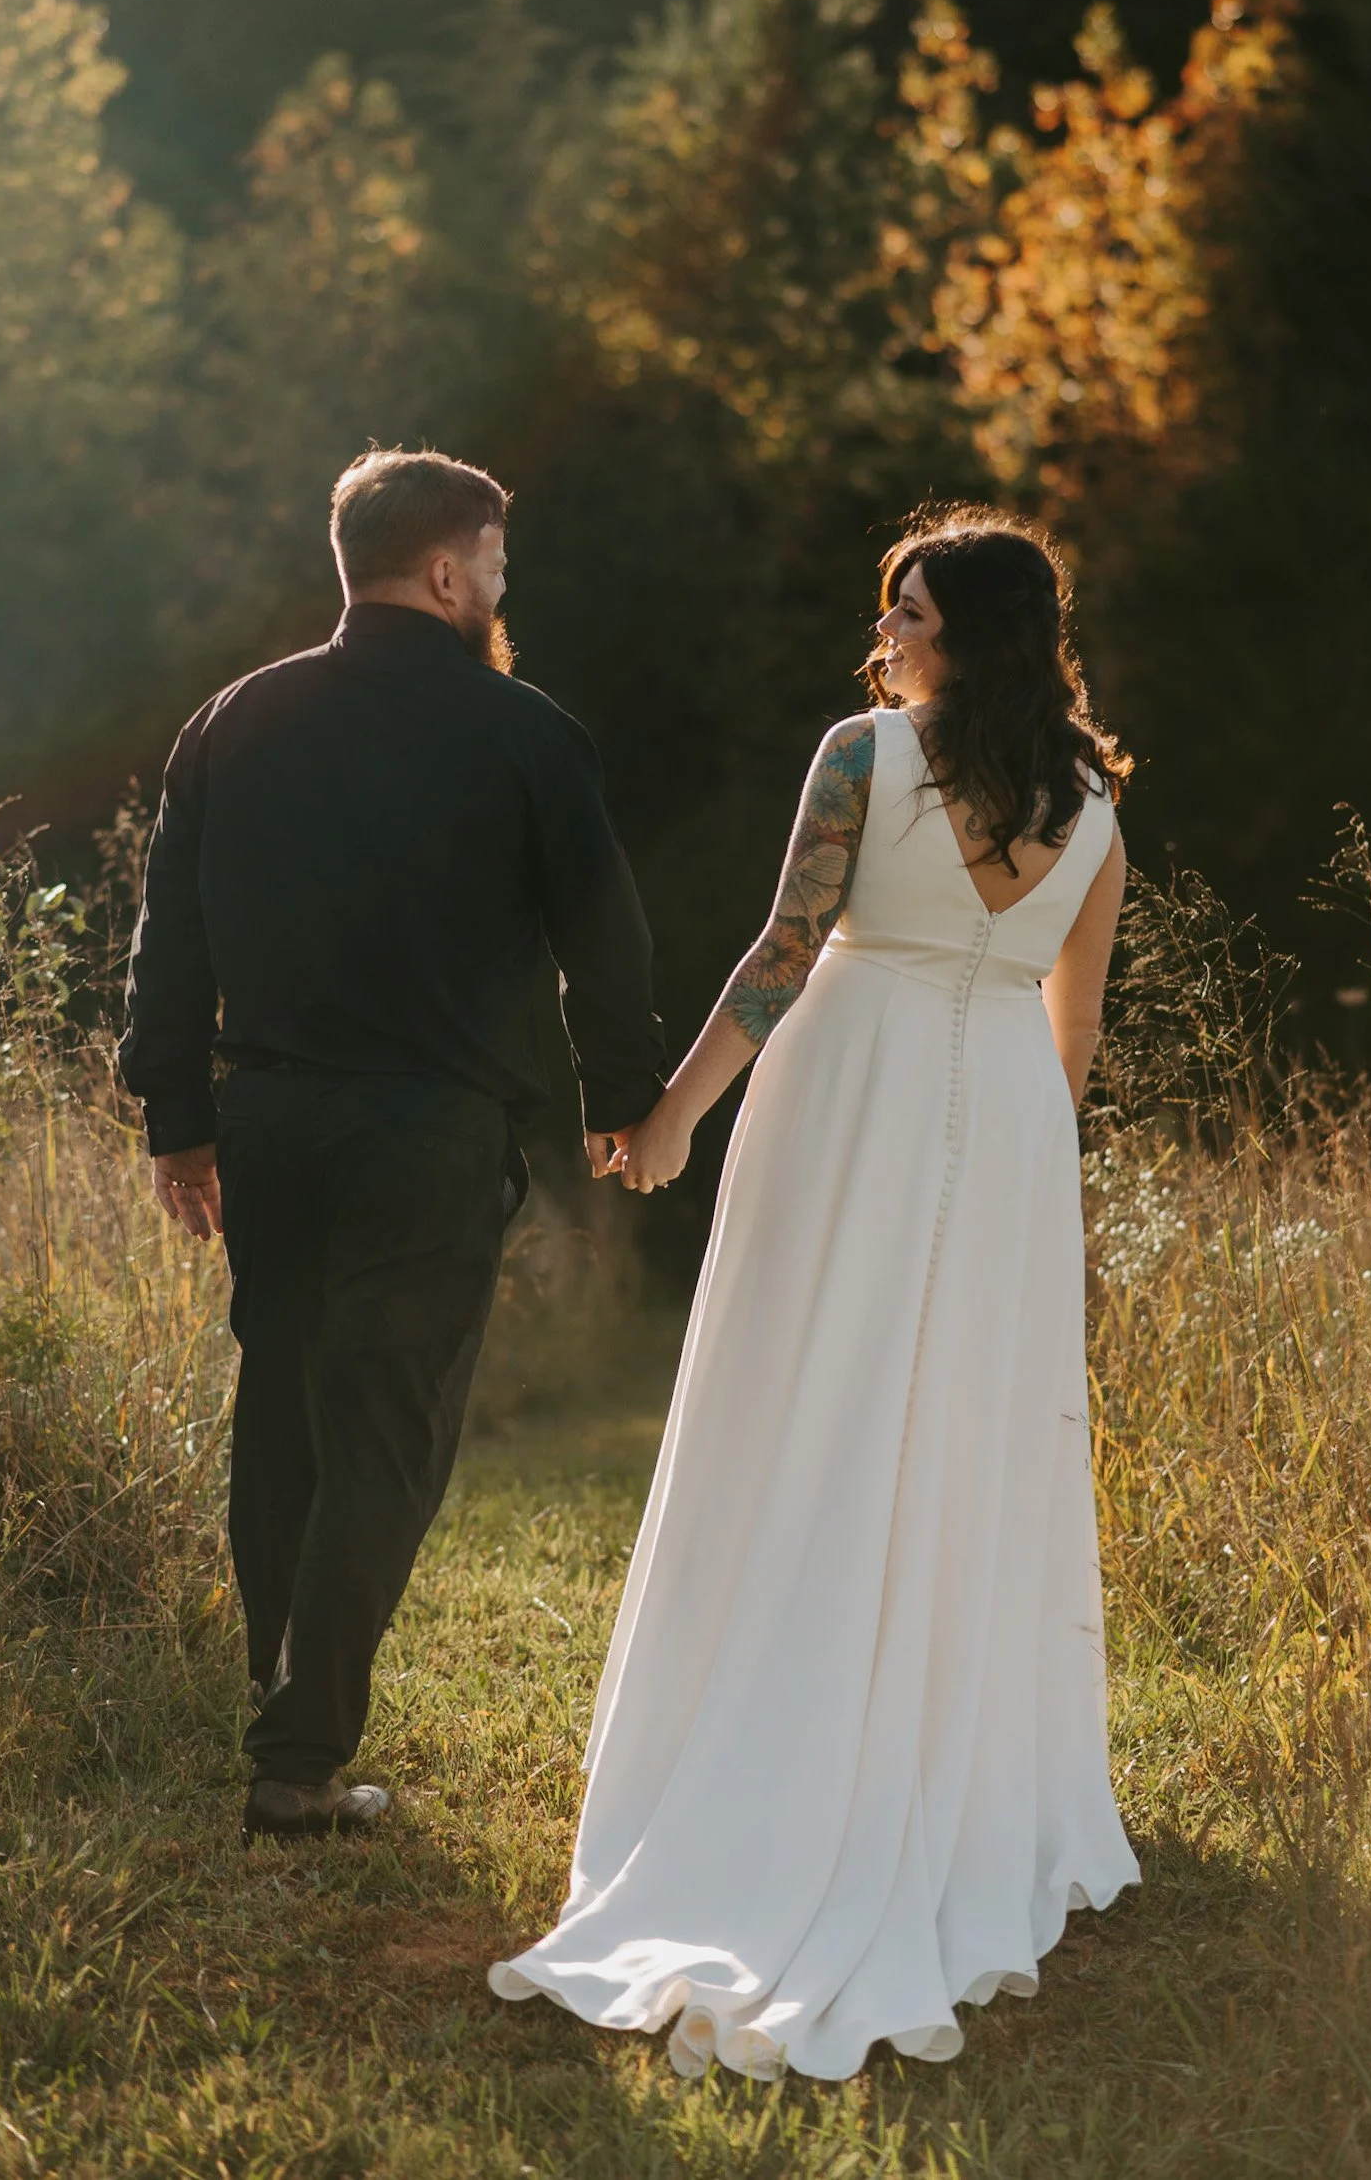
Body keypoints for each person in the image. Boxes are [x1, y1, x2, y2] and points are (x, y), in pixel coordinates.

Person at [490, 506, 1140, 2078]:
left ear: (972, 631)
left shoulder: (864, 753)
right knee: (944, 1414)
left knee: (802, 1391)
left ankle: (787, 1733)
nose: (892, 631)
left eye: (915, 610)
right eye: (892, 607)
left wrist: (674, 1110)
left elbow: (784, 951)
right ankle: (919, 1723)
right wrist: (1026, 1169)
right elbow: (1073, 1030)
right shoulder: (1095, 806)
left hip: (853, 1082)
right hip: (1000, 1111)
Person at [120, 447, 664, 1844]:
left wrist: (175, 1120)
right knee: (387, 1428)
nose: (497, 585)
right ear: (442, 569)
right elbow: (601, 943)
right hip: (428, 1128)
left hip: (272, 1117)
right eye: (491, 562)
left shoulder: (232, 720)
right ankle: (298, 1755)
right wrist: (622, 1101)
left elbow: (167, 939)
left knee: (284, 1405)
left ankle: (277, 1686)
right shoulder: (528, 733)